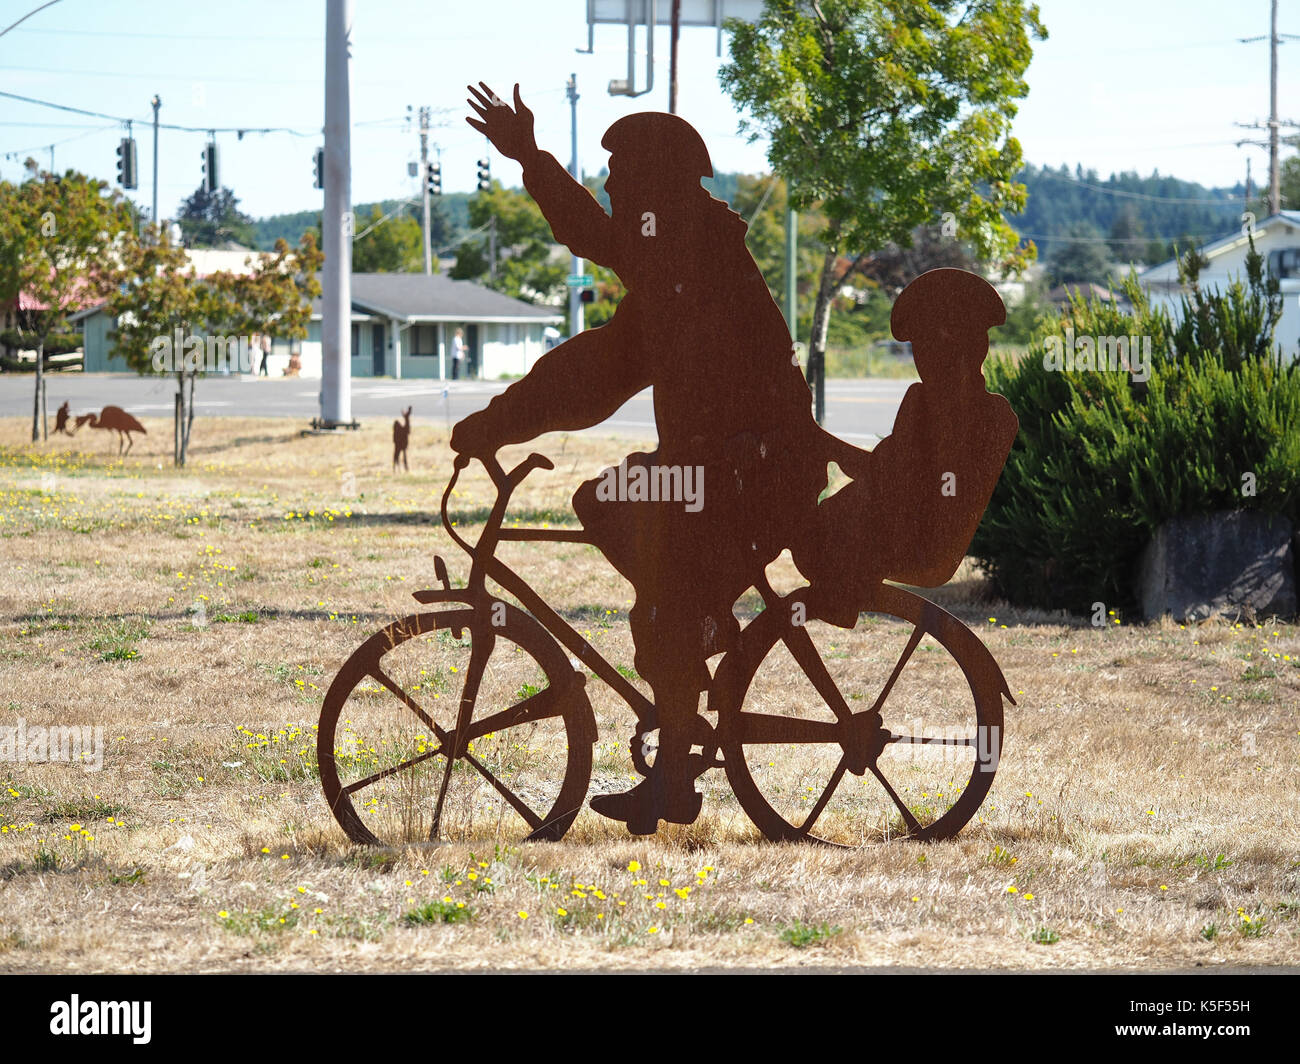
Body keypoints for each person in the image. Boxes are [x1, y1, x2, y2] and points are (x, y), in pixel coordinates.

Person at [452, 83, 851, 834]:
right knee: (617, 522)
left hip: (755, 472)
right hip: (714, 473)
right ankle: (688, 655)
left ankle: (693, 629)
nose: (611, 190)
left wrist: (533, 160)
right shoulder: (673, 282)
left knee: (648, 569)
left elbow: (599, 243)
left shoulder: (699, 257)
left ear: (660, 188)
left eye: (623, 179)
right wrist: (498, 422)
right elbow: (594, 370)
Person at [793, 269, 1020, 627]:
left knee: (803, 524)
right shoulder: (920, 400)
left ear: (969, 346)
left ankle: (837, 593)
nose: (922, 358)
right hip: (885, 525)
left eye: (931, 345)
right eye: (918, 347)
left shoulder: (989, 416)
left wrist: (826, 447)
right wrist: (823, 445)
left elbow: (907, 481)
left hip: (912, 541)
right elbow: (889, 471)